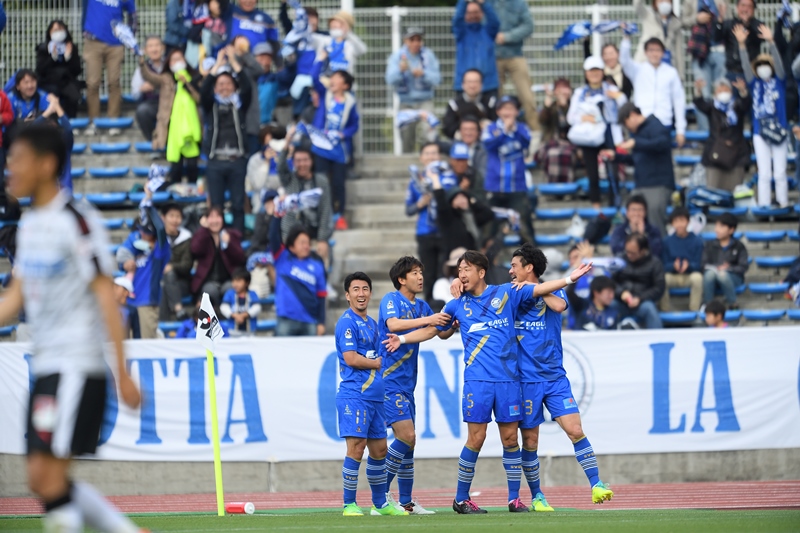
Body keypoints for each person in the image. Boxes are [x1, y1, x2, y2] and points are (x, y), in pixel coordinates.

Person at [1, 123, 143, 533]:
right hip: (48, 366)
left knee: (46, 476)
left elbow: (106, 296)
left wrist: (123, 372)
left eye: (18, 159)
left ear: (46, 165)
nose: (10, 168)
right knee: (41, 478)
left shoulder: (76, 221)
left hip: (76, 364)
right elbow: (15, 297)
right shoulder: (30, 224)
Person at [384, 250, 593, 513]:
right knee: (476, 438)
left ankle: (514, 499)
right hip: (477, 381)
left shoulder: (505, 293)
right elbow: (436, 330)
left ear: (481, 272)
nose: (461, 274)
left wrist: (569, 279)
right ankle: (461, 499)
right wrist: (403, 339)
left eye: (467, 269)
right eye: (459, 270)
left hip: (508, 381)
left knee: (510, 439)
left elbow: (541, 290)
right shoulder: (457, 303)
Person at [509, 243, 614, 509]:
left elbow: (558, 307)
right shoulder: (512, 294)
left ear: (529, 268)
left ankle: (597, 484)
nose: (510, 271)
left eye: (514, 266)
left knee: (575, 430)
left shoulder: (553, 289)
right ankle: (537, 496)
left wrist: (536, 289)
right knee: (530, 441)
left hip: (555, 378)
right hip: (526, 381)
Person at [378, 256, 454, 514]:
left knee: (409, 444)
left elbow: (438, 332)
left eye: (421, 272)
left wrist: (450, 324)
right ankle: (380, 498)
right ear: (401, 279)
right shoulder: (391, 300)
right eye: (414, 273)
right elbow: (393, 324)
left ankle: (406, 502)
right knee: (406, 437)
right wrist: (429, 320)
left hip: (407, 384)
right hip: (388, 381)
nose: (420, 277)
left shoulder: (421, 306)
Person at [335, 272, 409, 517]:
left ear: (370, 293)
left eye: (365, 289)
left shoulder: (371, 324)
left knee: (379, 451)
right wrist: (376, 363)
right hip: (355, 394)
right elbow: (350, 358)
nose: (361, 294)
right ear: (347, 295)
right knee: (356, 448)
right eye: (355, 289)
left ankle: (380, 504)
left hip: (376, 397)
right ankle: (349, 504)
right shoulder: (347, 322)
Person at [737, 24, 789, 207]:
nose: (763, 68)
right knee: (764, 173)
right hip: (760, 131)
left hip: (779, 129)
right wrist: (741, 45)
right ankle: (765, 204)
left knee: (780, 172)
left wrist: (771, 41)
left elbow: (780, 64)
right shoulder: (754, 84)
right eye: (759, 66)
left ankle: (783, 202)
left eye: (766, 65)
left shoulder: (780, 81)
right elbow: (745, 66)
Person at [201, 46, 252, 233]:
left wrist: (233, 62)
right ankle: (217, 239)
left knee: (238, 203)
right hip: (216, 161)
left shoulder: (240, 105)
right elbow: (204, 91)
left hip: (237, 160)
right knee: (216, 205)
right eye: (220, 84)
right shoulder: (210, 105)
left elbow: (247, 87)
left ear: (234, 86)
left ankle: (236, 239)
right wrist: (217, 66)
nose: (224, 87)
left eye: (228, 84)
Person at [568, 57, 627, 208]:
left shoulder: (611, 90)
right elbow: (571, 117)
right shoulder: (580, 93)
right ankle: (596, 207)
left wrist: (618, 97)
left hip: (609, 135)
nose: (594, 74)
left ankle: (614, 206)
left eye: (597, 71)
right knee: (592, 174)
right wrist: (584, 118)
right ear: (586, 73)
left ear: (602, 72)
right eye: (591, 71)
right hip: (589, 136)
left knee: (613, 172)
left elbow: (625, 109)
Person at [140, 48, 202, 185]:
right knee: (176, 165)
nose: (177, 62)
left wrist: (186, 83)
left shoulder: (194, 77)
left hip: (191, 127)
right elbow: (149, 76)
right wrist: (142, 63)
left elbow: (199, 98)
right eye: (174, 60)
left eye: (179, 59)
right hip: (172, 127)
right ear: (169, 63)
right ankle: (175, 190)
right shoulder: (166, 79)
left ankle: (192, 191)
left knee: (192, 164)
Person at [310, 57, 359, 230]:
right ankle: (323, 215)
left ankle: (339, 216)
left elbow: (354, 125)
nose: (333, 80)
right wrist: (320, 59)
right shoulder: (325, 95)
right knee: (321, 182)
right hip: (321, 148)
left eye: (337, 78)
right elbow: (313, 77)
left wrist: (343, 134)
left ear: (345, 85)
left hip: (339, 150)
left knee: (338, 184)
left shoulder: (350, 103)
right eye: (333, 77)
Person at [116, 188, 171, 339]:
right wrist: (124, 263)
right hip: (128, 302)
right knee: (127, 344)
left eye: (146, 232)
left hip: (146, 303)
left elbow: (161, 229)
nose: (142, 234)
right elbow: (122, 254)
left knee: (144, 343)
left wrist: (148, 202)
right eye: (141, 230)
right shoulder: (135, 242)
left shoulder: (160, 250)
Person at [612, 103, 675, 232]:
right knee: (633, 221)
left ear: (633, 115)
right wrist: (615, 156)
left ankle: (659, 246)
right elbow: (637, 160)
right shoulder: (638, 134)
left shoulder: (655, 125)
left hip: (658, 184)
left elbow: (662, 143)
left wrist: (636, 143)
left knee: (655, 222)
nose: (627, 128)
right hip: (641, 184)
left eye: (625, 123)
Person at [482, 95, 534, 244]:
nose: (508, 112)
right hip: (494, 186)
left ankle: (531, 256)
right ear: (498, 111)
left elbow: (527, 141)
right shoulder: (490, 129)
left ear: (517, 112)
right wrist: (504, 131)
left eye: (511, 108)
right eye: (504, 108)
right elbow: (489, 144)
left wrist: (513, 129)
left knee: (524, 225)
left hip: (517, 186)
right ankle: (485, 255)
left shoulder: (522, 128)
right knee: (489, 227)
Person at [81, 0, 137, 136]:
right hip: (93, 41)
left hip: (116, 44)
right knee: (92, 83)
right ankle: (93, 122)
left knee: (114, 82)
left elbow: (133, 14)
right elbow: (84, 8)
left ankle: (113, 121)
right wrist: (84, 30)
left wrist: (129, 37)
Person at [620, 37, 686, 148]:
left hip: (664, 121)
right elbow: (624, 61)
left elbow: (678, 100)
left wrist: (680, 130)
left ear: (663, 53)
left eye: (658, 50)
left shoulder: (671, 72)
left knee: (661, 153)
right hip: (642, 121)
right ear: (645, 52)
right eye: (651, 50)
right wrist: (626, 39)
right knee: (641, 153)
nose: (654, 54)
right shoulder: (637, 69)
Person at [386, 27, 441, 153]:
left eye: (418, 40)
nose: (416, 43)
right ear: (405, 41)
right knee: (406, 136)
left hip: (425, 101)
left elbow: (437, 79)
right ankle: (407, 160)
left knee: (429, 130)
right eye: (412, 40)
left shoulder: (429, 56)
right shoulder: (397, 57)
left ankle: (429, 158)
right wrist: (400, 71)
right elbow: (390, 80)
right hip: (406, 102)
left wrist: (423, 74)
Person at [269, 217, 327, 337]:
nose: (306, 246)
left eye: (308, 243)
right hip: (286, 320)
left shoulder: (317, 265)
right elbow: (273, 237)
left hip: (310, 321)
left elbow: (321, 296)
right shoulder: (282, 258)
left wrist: (321, 322)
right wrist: (277, 217)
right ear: (292, 246)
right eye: (302, 243)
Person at [278, 145, 333, 263]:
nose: (302, 164)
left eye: (305, 160)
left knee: (321, 263)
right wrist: (286, 146)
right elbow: (281, 166)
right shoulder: (290, 179)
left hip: (315, 236)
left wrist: (322, 239)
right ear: (293, 162)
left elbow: (325, 211)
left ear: (311, 161)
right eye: (298, 161)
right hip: (292, 237)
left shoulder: (321, 181)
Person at [693, 77, 750, 191]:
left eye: (726, 90)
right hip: (715, 156)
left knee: (735, 192)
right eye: (720, 91)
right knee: (714, 192)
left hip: (737, 155)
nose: (723, 93)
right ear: (715, 94)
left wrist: (743, 91)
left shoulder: (737, 106)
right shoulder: (712, 107)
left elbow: (746, 103)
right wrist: (698, 91)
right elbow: (700, 103)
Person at [681, 0, 732, 130]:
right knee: (703, 93)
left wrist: (721, 17)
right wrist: (696, 18)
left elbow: (730, 21)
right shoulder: (689, 2)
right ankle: (704, 134)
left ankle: (724, 131)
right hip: (700, 52)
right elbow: (683, 21)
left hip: (720, 50)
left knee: (723, 92)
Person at [406, 143, 447, 301]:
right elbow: (409, 210)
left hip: (445, 232)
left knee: (444, 274)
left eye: (434, 153)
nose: (431, 157)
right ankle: (430, 308)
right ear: (421, 158)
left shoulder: (446, 177)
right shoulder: (415, 181)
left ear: (440, 156)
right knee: (427, 275)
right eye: (427, 153)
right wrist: (420, 203)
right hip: (425, 232)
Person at [489, 0, 537, 131]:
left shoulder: (519, 3)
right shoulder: (487, 3)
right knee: (493, 98)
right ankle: (494, 132)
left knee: (527, 97)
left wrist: (508, 37)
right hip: (492, 57)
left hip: (515, 55)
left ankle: (535, 131)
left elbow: (528, 26)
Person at [432, 169, 495, 257]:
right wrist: (435, 179)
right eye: (457, 198)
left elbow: (489, 214)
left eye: (463, 197)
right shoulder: (449, 218)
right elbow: (441, 200)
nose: (461, 200)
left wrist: (472, 200)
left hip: (472, 257)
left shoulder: (470, 216)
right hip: (454, 258)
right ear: (451, 203)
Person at [191, 206, 246, 306]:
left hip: (228, 279)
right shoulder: (202, 235)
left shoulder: (231, 234)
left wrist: (230, 243)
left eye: (218, 217)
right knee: (209, 291)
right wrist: (203, 229)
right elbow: (195, 250)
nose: (215, 221)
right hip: (208, 281)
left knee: (230, 289)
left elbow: (240, 258)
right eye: (211, 217)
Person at [613, 233, 665, 329]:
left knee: (650, 309)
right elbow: (610, 281)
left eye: (632, 253)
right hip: (620, 302)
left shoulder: (655, 263)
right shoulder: (619, 260)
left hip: (643, 303)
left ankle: (657, 337)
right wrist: (621, 293)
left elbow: (659, 288)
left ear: (643, 251)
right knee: (609, 306)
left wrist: (640, 298)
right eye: (627, 251)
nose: (628, 255)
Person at [452, 0, 499, 99]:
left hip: (488, 84)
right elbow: (457, 20)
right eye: (469, 13)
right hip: (465, 85)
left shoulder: (488, 31)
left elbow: (494, 21)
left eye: (476, 12)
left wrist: (484, 3)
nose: (473, 16)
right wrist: (463, 2)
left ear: (482, 13)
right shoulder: (461, 33)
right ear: (465, 14)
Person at [35, 20, 82, 118]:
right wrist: (52, 58)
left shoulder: (71, 47)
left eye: (60, 29)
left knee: (73, 95)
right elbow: (40, 70)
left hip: (67, 82)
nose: (58, 32)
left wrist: (68, 58)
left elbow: (77, 70)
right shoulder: (43, 48)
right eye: (55, 30)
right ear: (49, 32)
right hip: (49, 82)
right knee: (53, 94)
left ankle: (70, 120)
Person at [660, 207, 704, 311]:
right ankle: (665, 311)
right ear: (672, 223)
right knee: (662, 279)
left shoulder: (697, 241)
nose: (679, 224)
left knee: (698, 278)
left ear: (688, 222)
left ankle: (694, 311)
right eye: (676, 221)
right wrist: (673, 266)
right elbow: (663, 265)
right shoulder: (666, 241)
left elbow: (699, 265)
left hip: (690, 275)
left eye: (682, 221)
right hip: (672, 275)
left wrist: (689, 266)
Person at [702, 212, 748, 308]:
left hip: (734, 277)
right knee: (709, 274)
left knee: (722, 275)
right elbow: (703, 264)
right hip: (713, 276)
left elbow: (743, 267)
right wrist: (717, 267)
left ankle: (733, 304)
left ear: (731, 230)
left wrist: (729, 268)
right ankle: (708, 306)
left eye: (721, 227)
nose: (717, 230)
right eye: (716, 226)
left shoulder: (739, 246)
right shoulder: (710, 245)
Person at [634, 0, 685, 80]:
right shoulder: (647, 14)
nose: (664, 3)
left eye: (667, 1)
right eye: (660, 0)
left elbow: (679, 51)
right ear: (655, 2)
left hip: (666, 65)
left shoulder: (676, 22)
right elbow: (637, 5)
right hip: (645, 62)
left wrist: (680, 74)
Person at [536, 79, 575, 185]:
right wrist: (547, 106)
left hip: (570, 143)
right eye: (560, 89)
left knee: (565, 153)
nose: (563, 92)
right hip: (551, 142)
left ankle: (567, 185)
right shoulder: (551, 107)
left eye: (566, 88)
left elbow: (572, 124)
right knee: (552, 153)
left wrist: (565, 107)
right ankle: (553, 186)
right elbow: (542, 120)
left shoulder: (575, 106)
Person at [34, 95, 74, 194]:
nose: (50, 125)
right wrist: (48, 111)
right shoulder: (36, 145)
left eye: (52, 121)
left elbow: (68, 129)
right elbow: (31, 129)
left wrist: (57, 106)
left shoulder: (64, 143)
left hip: (63, 193)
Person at [159, 203, 193, 321]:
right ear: (163, 218)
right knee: (162, 285)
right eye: (171, 216)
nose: (175, 220)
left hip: (181, 283)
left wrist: (172, 267)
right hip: (160, 281)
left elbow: (187, 265)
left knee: (168, 275)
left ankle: (163, 324)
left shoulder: (186, 238)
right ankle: (178, 310)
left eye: (178, 216)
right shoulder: (157, 238)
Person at [713, 0, 763, 80]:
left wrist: (747, 25)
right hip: (731, 71)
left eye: (749, 6)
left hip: (751, 72)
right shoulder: (729, 23)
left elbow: (759, 40)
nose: (745, 9)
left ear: (754, 9)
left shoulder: (758, 24)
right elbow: (716, 38)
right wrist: (720, 20)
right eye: (743, 5)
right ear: (737, 7)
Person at [443, 69, 497, 140]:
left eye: (476, 82)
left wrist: (489, 126)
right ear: (463, 84)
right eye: (469, 82)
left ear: (481, 84)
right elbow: (447, 128)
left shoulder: (491, 102)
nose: (472, 85)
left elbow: (498, 125)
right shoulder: (454, 105)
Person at [132, 36, 166, 142]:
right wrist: (142, 89)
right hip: (151, 104)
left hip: (169, 103)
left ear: (163, 48)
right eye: (150, 46)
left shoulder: (169, 64)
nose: (154, 49)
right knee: (142, 111)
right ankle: (152, 141)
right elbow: (135, 93)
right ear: (145, 50)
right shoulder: (142, 68)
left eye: (157, 45)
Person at [318, 10, 367, 78]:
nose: (334, 27)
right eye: (332, 26)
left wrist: (348, 33)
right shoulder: (325, 41)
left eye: (338, 25)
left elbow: (363, 50)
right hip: (326, 80)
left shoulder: (350, 44)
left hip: (345, 81)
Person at [246, 124, 283, 211]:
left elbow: (288, 183)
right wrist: (266, 162)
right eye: (268, 144)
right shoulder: (255, 160)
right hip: (261, 199)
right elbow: (258, 185)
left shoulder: (284, 158)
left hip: (282, 196)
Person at [220, 268, 262, 334]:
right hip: (233, 330)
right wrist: (234, 315)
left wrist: (244, 315)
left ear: (247, 282)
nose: (235, 284)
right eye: (233, 281)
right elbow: (224, 307)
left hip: (250, 331)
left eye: (238, 281)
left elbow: (257, 308)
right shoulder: (229, 294)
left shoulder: (252, 294)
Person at [458, 117, 488, 199]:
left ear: (478, 132)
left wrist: (470, 181)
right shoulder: (455, 146)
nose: (468, 133)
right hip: (458, 190)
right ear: (460, 132)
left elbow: (483, 173)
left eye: (472, 129)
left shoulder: (484, 149)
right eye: (465, 129)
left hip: (478, 190)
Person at [254, 42, 279, 125]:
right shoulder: (247, 78)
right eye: (261, 58)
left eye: (267, 58)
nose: (264, 62)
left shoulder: (274, 79)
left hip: (268, 123)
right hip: (250, 124)